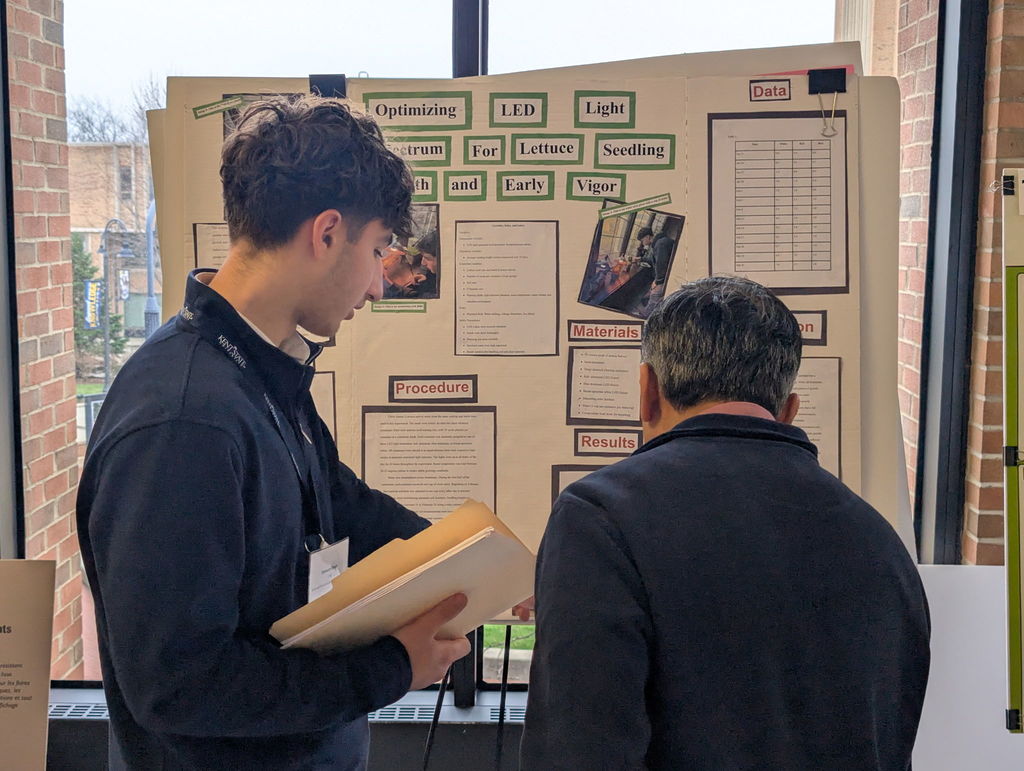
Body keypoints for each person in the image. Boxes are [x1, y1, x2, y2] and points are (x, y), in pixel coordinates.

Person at [76, 95, 471, 770]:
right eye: (377, 251)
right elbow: (180, 685)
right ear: (324, 234)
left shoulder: (263, 369)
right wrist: (388, 669)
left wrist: (469, 562)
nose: (379, 285)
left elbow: (338, 501)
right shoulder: (183, 422)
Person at [521, 276, 930, 770]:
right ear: (789, 410)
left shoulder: (600, 519)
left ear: (647, 392)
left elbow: (578, 753)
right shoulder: (878, 541)